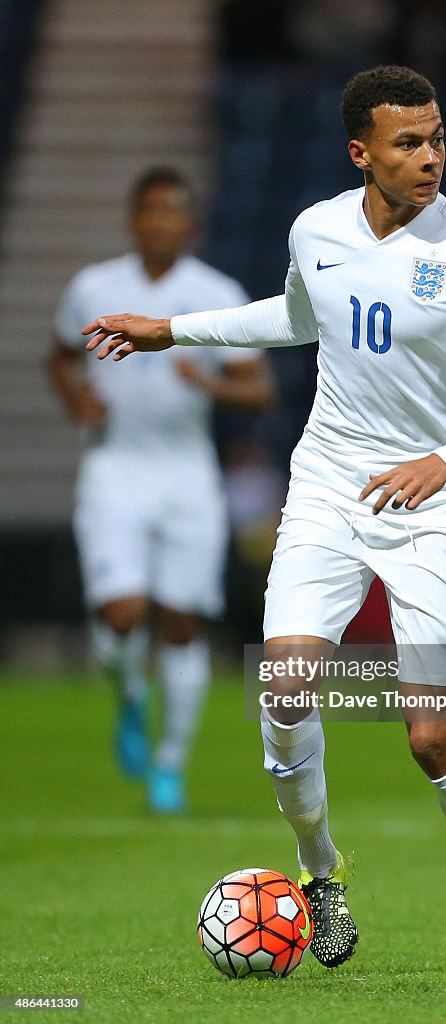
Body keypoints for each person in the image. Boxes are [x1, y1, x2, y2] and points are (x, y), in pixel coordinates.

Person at [83, 67, 446, 972]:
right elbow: (299, 317)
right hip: (329, 489)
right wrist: (172, 330)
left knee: (433, 736)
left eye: (438, 138)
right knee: (288, 687)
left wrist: (444, 459)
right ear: (361, 152)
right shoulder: (317, 228)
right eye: (408, 143)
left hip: (436, 509)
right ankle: (321, 876)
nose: (430, 158)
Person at [48, 167, 275, 813]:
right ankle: (127, 695)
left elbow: (259, 390)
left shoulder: (215, 292)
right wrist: (75, 397)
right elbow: (60, 356)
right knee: (121, 615)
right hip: (113, 468)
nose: (160, 222)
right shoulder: (93, 286)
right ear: (132, 220)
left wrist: (208, 386)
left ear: (190, 224)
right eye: (150, 211)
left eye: (173, 211)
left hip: (187, 474)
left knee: (179, 623)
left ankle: (169, 762)